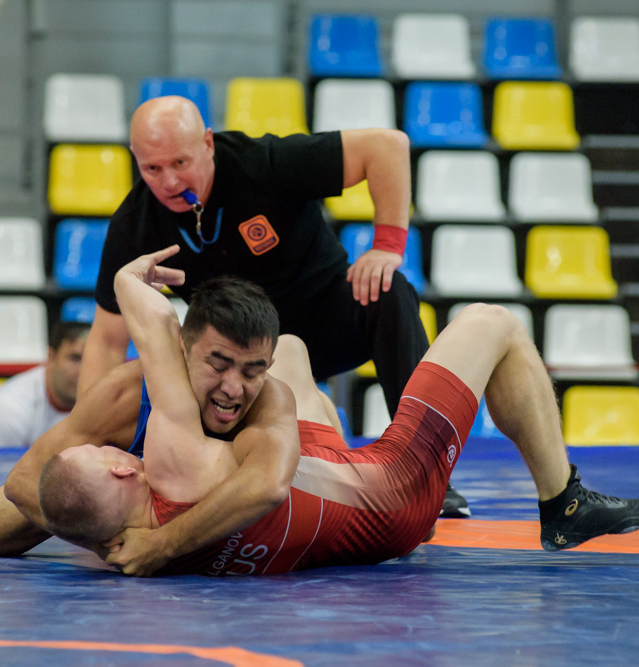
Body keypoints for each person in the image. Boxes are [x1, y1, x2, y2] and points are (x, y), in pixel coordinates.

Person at [38, 246, 639, 576]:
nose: (110, 444)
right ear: (122, 469)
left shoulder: (116, 545)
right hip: (396, 494)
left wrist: (157, 548)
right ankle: (564, 502)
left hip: (319, 487)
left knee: (289, 349)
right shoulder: (175, 463)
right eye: (98, 452)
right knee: (492, 322)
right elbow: (151, 323)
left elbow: (70, 506)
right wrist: (127, 277)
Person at [80, 95, 470, 517]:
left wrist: (387, 247)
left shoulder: (262, 163)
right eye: (152, 169)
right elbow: (106, 340)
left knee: (389, 290)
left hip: (325, 323)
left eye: (180, 163)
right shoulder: (135, 223)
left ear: (208, 143)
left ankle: (430, 473)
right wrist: (86, 441)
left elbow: (387, 147)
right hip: (243, 360)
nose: (170, 182)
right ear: (135, 159)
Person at [0, 263, 307, 568]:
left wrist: (163, 545)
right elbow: (23, 481)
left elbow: (268, 484)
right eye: (217, 365)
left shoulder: (264, 394)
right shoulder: (128, 394)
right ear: (183, 351)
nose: (232, 388)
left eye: (250, 370)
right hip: (117, 499)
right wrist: (106, 542)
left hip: (166, 518)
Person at [0, 321, 90, 453]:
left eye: (91, 359)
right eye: (75, 358)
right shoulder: (7, 407)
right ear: (51, 357)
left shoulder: (98, 401)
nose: (83, 370)